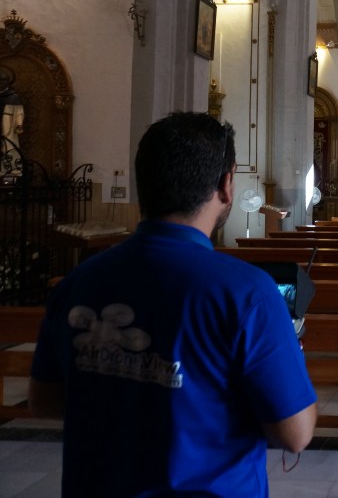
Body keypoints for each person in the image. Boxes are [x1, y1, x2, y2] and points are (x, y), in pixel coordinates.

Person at [30, 112, 317, 497]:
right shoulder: (247, 293)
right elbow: (295, 432)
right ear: (226, 185)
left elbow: (44, 400)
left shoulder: (76, 282)